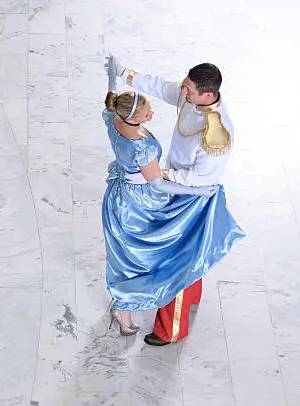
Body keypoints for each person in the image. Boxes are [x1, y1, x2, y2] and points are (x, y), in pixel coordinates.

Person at [102, 55, 245, 345]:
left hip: (192, 196)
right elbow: (163, 88)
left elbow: (201, 178)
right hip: (172, 185)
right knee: (188, 254)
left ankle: (171, 329)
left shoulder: (216, 133)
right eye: (186, 85)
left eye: (189, 89)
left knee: (177, 260)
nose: (183, 90)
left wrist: (161, 175)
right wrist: (127, 73)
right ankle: (189, 298)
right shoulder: (190, 97)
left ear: (208, 94)